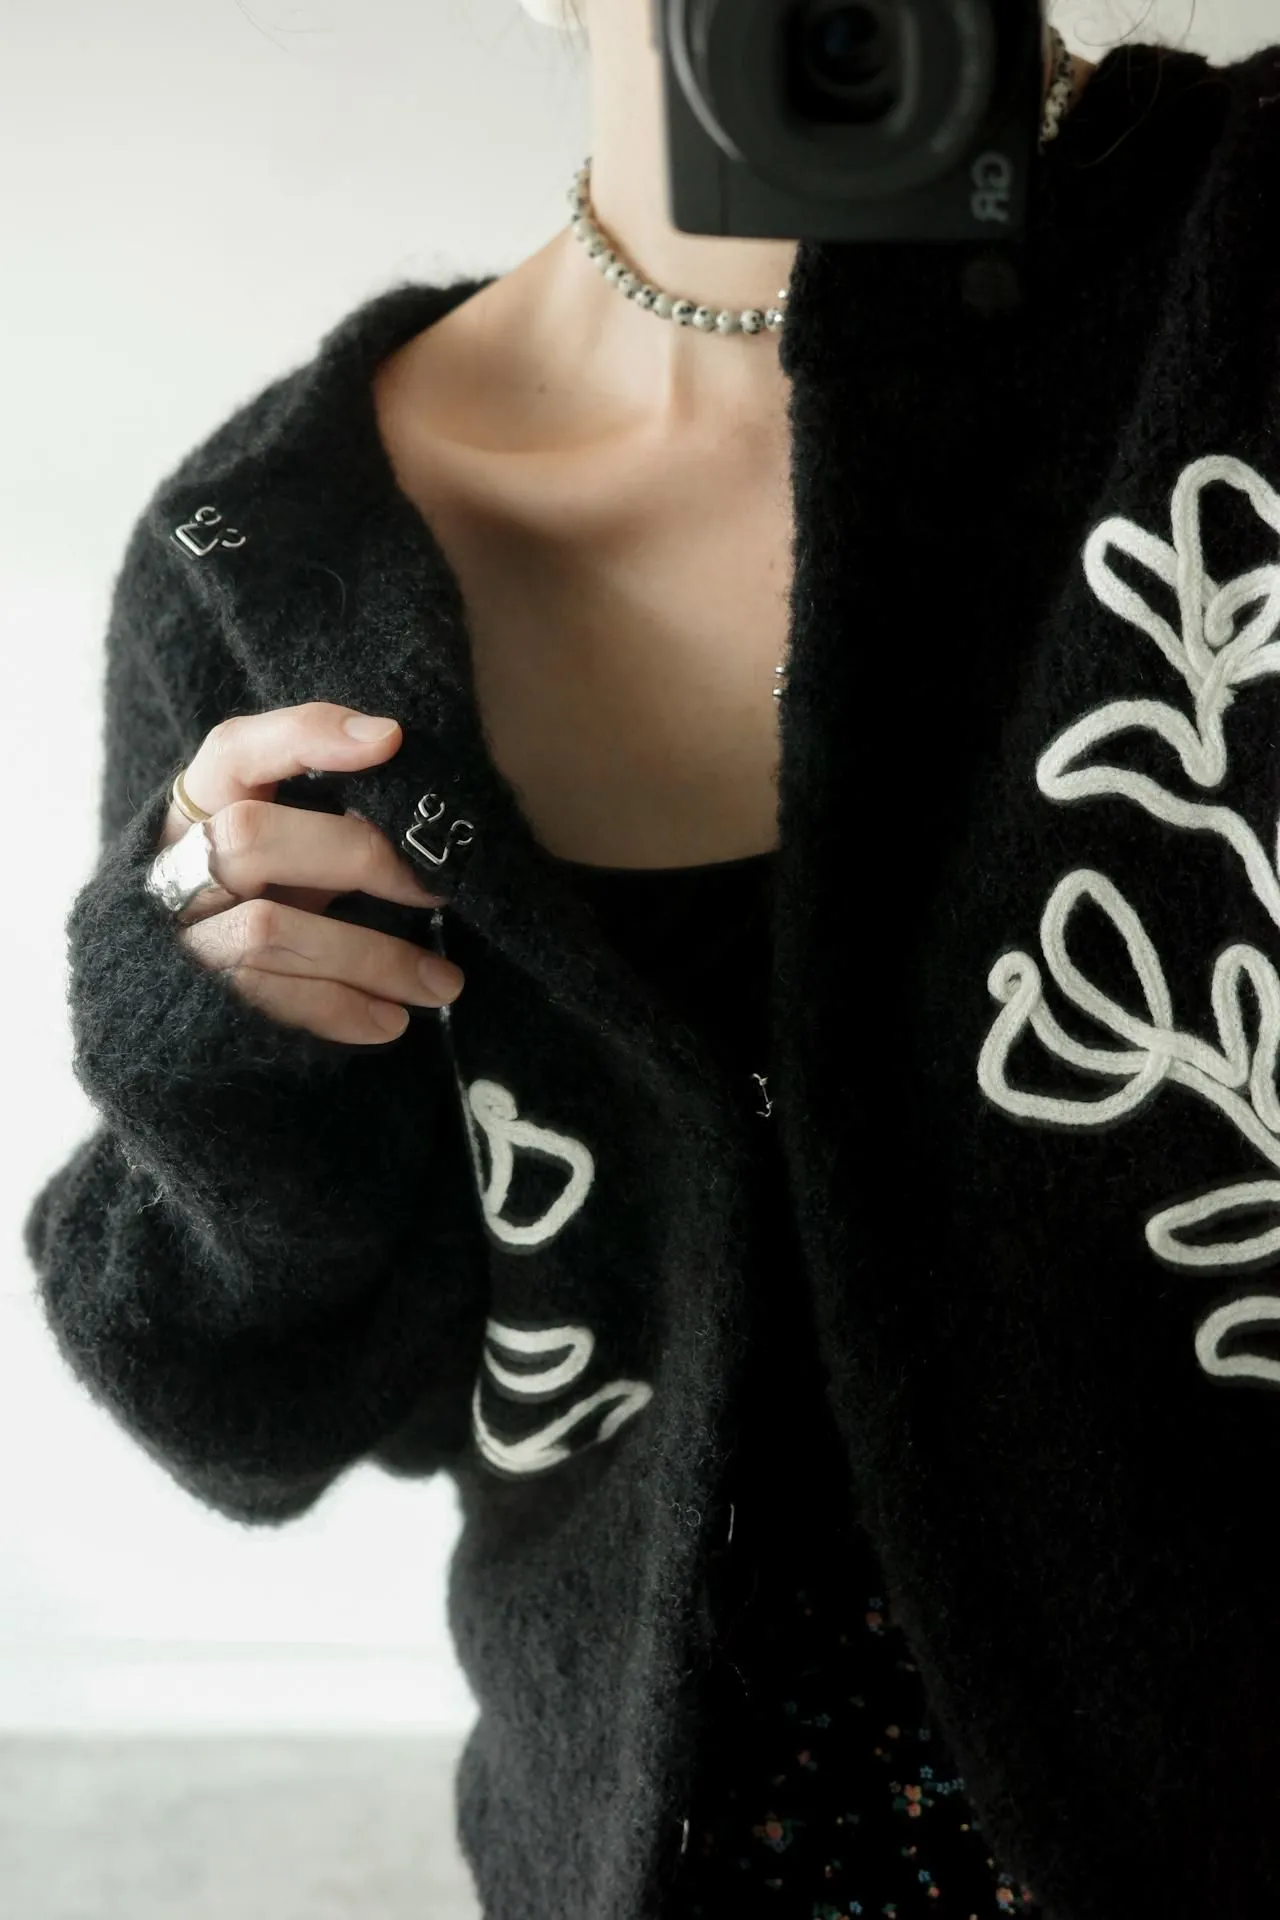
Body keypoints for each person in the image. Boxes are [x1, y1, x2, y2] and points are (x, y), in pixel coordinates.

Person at [26, 3, 1280, 1916]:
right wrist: (214, 1035)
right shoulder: (263, 551)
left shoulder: (1240, 265)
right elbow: (256, 1410)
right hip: (670, 1856)